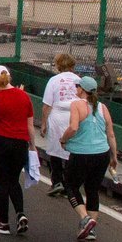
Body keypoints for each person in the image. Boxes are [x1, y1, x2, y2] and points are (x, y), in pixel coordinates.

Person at [0, 66, 38, 236]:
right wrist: (32, 146)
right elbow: (30, 125)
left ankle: (3, 222)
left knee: (1, 182)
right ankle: (20, 213)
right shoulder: (24, 97)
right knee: (13, 180)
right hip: (20, 144)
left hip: (0, 143)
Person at [60, 75, 118, 242]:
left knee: (71, 185)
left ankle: (85, 218)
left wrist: (63, 140)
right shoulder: (102, 107)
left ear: (81, 89)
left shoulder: (77, 105)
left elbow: (73, 127)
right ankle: (91, 230)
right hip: (102, 154)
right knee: (92, 189)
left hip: (81, 153)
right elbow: (111, 134)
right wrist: (114, 156)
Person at [40, 53, 81, 198]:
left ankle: (57, 181)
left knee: (55, 149)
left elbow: (46, 105)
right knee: (73, 149)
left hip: (58, 115)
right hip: (75, 115)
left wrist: (44, 123)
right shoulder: (79, 80)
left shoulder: (54, 80)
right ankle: (70, 182)